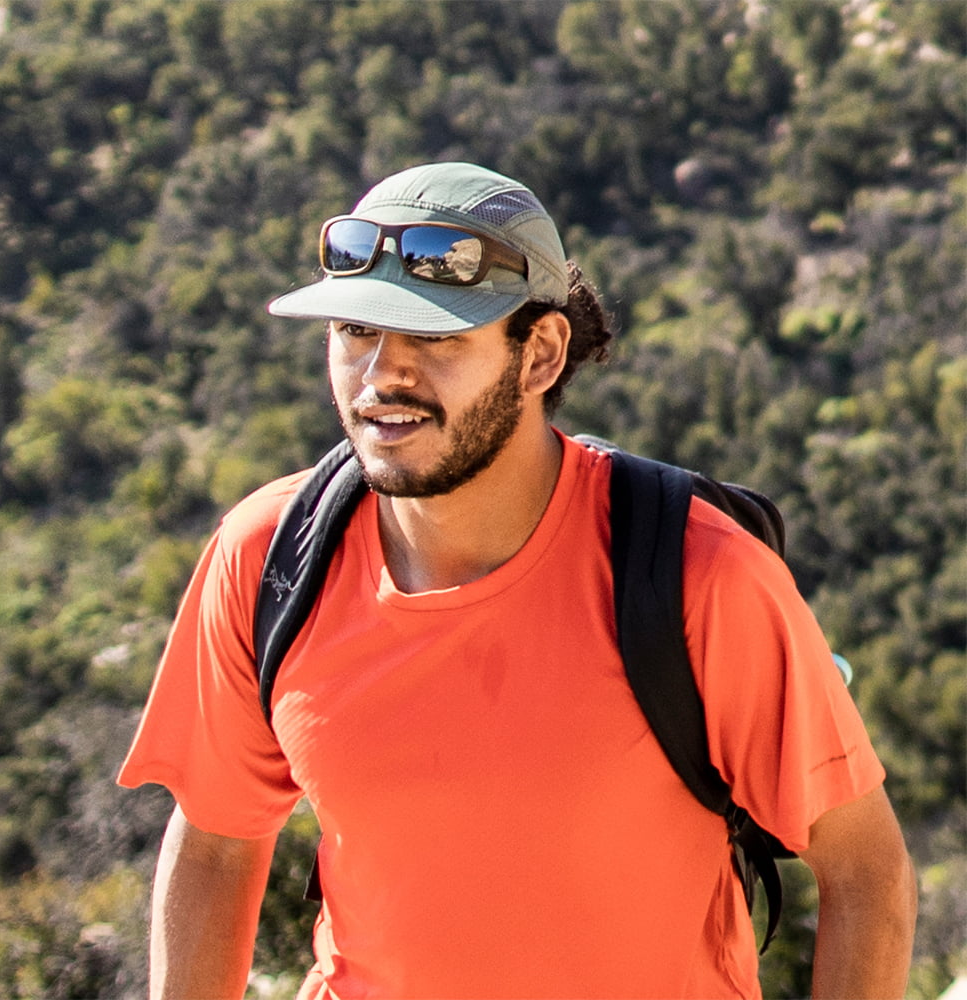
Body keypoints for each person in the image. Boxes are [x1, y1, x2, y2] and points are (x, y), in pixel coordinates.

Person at [118, 161, 917, 1000]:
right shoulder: (269, 558)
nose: (382, 376)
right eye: (356, 332)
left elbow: (868, 872)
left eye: (434, 337)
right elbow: (214, 844)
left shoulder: (695, 575)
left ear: (538, 354)